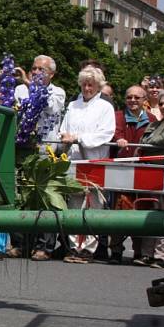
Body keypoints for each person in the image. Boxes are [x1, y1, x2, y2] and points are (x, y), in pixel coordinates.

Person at [10, 55, 66, 261]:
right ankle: (20, 244)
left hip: (46, 150)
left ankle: (44, 246)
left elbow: (49, 106)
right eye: (33, 68)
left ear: (51, 74)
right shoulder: (19, 90)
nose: (35, 72)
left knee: (44, 198)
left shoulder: (58, 92)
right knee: (22, 197)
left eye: (40, 70)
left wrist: (29, 83)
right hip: (23, 147)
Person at [58, 66, 116, 264]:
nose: (87, 88)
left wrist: (80, 138)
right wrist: (66, 137)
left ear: (98, 86)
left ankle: (88, 248)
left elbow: (105, 133)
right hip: (74, 159)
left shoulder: (105, 107)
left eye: (90, 84)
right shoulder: (73, 105)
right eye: (84, 84)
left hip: (94, 159)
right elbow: (64, 128)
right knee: (74, 201)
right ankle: (75, 246)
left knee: (93, 202)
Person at [109, 85, 156, 264]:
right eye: (129, 97)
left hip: (145, 170)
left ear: (144, 100)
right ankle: (116, 251)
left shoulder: (151, 119)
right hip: (122, 171)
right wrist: (118, 139)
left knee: (143, 210)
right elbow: (116, 134)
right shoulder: (118, 117)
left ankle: (140, 252)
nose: (133, 100)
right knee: (120, 210)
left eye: (137, 97)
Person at [134, 89, 164, 268]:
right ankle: (147, 253)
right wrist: (148, 144)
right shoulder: (155, 124)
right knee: (150, 214)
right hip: (152, 172)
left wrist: (148, 144)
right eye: (161, 103)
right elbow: (145, 140)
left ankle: (162, 255)